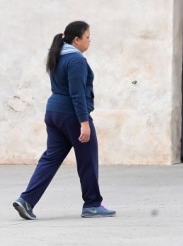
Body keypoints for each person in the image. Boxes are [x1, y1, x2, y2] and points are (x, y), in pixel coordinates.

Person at [13, 21, 116, 220]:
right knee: (87, 159)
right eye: (87, 37)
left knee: (50, 158)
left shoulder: (58, 55)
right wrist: (84, 122)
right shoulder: (76, 59)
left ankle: (26, 200)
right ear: (76, 40)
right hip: (72, 115)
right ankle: (92, 204)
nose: (89, 41)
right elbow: (76, 93)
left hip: (54, 111)